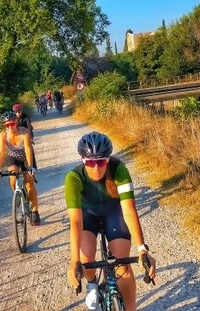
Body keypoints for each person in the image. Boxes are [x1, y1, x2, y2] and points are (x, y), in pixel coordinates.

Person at [64, 132, 156, 311]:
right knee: (86, 256)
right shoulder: (73, 178)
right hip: (87, 216)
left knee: (122, 264)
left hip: (113, 213)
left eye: (101, 162)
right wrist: (74, 260)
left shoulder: (119, 170)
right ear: (82, 160)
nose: (96, 168)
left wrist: (142, 249)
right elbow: (75, 222)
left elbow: (129, 210)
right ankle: (92, 284)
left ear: (108, 159)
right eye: (90, 162)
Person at [0, 111, 41, 225]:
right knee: (13, 179)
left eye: (12, 124)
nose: (10, 127)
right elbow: (1, 153)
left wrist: (30, 167)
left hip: (26, 157)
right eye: (7, 125)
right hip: (13, 157)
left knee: (29, 182)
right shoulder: (3, 135)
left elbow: (28, 149)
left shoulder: (24, 132)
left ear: (16, 122)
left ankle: (35, 211)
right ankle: (19, 195)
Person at [13, 103, 37, 168]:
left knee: (30, 148)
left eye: (19, 111)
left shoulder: (26, 117)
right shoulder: (13, 118)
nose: (18, 113)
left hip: (26, 135)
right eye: (16, 112)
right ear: (14, 112)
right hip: (17, 137)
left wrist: (31, 137)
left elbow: (29, 127)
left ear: (22, 110)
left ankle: (32, 167)